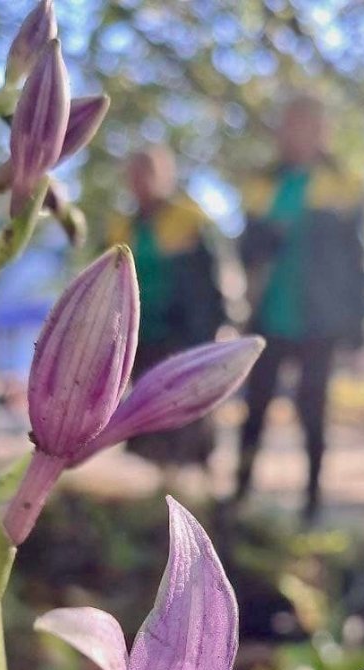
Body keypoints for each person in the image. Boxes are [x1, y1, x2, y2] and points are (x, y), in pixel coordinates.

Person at [234, 95, 364, 522]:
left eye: (306, 125)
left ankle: (312, 502)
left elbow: (358, 261)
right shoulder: (262, 184)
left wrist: (358, 321)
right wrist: (266, 238)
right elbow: (245, 250)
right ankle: (239, 493)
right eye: (289, 124)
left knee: (313, 411)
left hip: (320, 321)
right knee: (254, 410)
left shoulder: (343, 185)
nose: (296, 134)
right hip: (269, 318)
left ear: (321, 130)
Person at [108, 146, 226, 466]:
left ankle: (196, 476)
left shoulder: (189, 221)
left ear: (165, 175)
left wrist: (213, 327)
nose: (140, 181)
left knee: (186, 406)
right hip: (140, 335)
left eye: (148, 172)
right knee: (146, 408)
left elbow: (212, 280)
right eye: (134, 174)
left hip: (184, 333)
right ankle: (158, 482)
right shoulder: (121, 229)